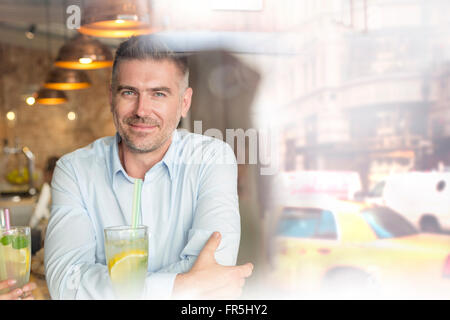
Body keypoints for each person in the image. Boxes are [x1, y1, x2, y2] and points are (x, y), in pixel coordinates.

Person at [44, 35, 253, 299]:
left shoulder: (212, 158)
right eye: (129, 92)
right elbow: (65, 283)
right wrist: (182, 286)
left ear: (184, 102)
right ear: (111, 97)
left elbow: (213, 275)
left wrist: (104, 287)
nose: (142, 110)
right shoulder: (74, 170)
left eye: (159, 93)